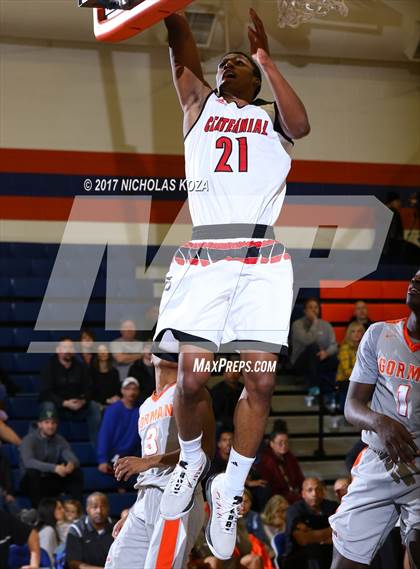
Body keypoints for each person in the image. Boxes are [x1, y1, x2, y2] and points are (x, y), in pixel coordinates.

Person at [153, 7, 309, 560]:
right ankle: (193, 458)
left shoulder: (271, 116)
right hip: (208, 251)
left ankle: (230, 485)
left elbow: (302, 125)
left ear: (255, 77)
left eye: (239, 63)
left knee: (261, 384)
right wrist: (163, 10)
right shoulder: (199, 107)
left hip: (264, 256)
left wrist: (266, 56)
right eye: (225, 63)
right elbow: (176, 40)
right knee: (192, 381)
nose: (228, 66)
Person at [329, 270, 420, 569]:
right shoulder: (379, 334)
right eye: (416, 276)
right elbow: (352, 406)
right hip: (379, 460)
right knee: (343, 563)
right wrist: (381, 422)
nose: (415, 281)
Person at [104, 355, 211, 569]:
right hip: (146, 497)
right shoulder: (144, 406)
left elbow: (205, 452)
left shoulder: (190, 391)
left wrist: (149, 461)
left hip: (179, 493)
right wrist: (137, 507)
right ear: (150, 355)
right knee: (118, 562)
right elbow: (149, 472)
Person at [39, 337, 101, 444]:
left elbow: (89, 387)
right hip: (58, 406)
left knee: (94, 407)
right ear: (58, 350)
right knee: (48, 406)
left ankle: (98, 449)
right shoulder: (49, 367)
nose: (68, 350)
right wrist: (64, 403)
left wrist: (83, 400)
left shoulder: (80, 366)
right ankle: (49, 446)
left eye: (70, 348)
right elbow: (46, 392)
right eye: (64, 348)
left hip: (78, 406)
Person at [20, 405, 83, 507]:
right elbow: (29, 462)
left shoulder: (60, 440)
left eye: (53, 423)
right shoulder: (29, 440)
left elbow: (70, 456)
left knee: (76, 472)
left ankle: (77, 507)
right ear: (40, 424)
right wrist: (54, 468)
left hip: (50, 480)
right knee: (32, 473)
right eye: (47, 422)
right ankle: (38, 511)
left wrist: (71, 464)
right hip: (31, 481)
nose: (50, 426)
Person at [285, 477, 337, 569]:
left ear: (323, 492)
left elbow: (343, 533)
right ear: (303, 494)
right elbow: (303, 539)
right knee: (314, 550)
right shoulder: (294, 510)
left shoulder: (332, 506)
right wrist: (331, 531)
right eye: (310, 490)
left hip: (329, 551)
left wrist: (313, 535)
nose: (314, 494)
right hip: (301, 556)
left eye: (318, 489)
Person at [290, 298, 338, 395]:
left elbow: (334, 345)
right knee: (313, 347)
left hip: (320, 359)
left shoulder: (326, 325)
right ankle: (313, 385)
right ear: (304, 310)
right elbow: (307, 340)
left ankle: (331, 387)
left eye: (316, 307)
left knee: (335, 359)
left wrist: (326, 353)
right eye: (310, 307)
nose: (314, 310)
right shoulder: (297, 325)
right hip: (300, 362)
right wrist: (315, 323)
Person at [96, 377, 141, 476]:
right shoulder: (112, 410)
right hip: (115, 456)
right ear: (122, 391)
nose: (131, 392)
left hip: (133, 455)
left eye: (134, 389)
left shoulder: (141, 410)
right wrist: (102, 460)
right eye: (128, 389)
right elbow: (105, 434)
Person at [66, 492, 113, 569]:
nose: (99, 511)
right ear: (87, 509)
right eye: (94, 507)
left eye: (102, 507)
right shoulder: (77, 529)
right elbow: (73, 563)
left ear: (108, 508)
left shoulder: (117, 527)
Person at [256, 430, 304, 504]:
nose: (284, 445)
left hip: (293, 493)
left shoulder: (290, 456)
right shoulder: (266, 460)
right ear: (272, 444)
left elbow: (300, 478)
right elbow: (269, 485)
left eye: (286, 442)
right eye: (280, 443)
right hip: (277, 497)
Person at [335, 322, 365, 412]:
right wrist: (363, 376)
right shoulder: (345, 348)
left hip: (360, 380)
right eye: (353, 331)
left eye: (359, 331)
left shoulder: (365, 348)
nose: (357, 334)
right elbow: (346, 371)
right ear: (349, 334)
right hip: (346, 380)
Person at [36, 498, 64, 566]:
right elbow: (46, 558)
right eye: (59, 508)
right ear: (50, 511)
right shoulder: (48, 530)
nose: (63, 510)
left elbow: (56, 551)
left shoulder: (52, 528)